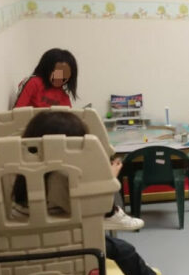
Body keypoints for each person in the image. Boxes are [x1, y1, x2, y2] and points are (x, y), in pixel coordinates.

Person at [10, 111, 189, 275]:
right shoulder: (56, 177)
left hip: (34, 235)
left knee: (118, 243)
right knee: (124, 250)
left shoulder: (26, 166)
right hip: (56, 240)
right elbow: (90, 209)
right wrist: (110, 179)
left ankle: (118, 218)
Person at [12, 49, 141, 232]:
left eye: (67, 76)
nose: (62, 79)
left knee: (95, 160)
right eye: (58, 74)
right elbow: (17, 114)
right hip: (36, 141)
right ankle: (108, 210)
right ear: (47, 67)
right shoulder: (34, 82)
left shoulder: (63, 96)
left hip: (61, 145)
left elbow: (68, 123)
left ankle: (110, 209)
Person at [13, 48, 79, 108]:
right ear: (48, 68)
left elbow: (68, 118)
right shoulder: (33, 82)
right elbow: (18, 111)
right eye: (58, 74)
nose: (59, 79)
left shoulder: (64, 97)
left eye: (64, 77)